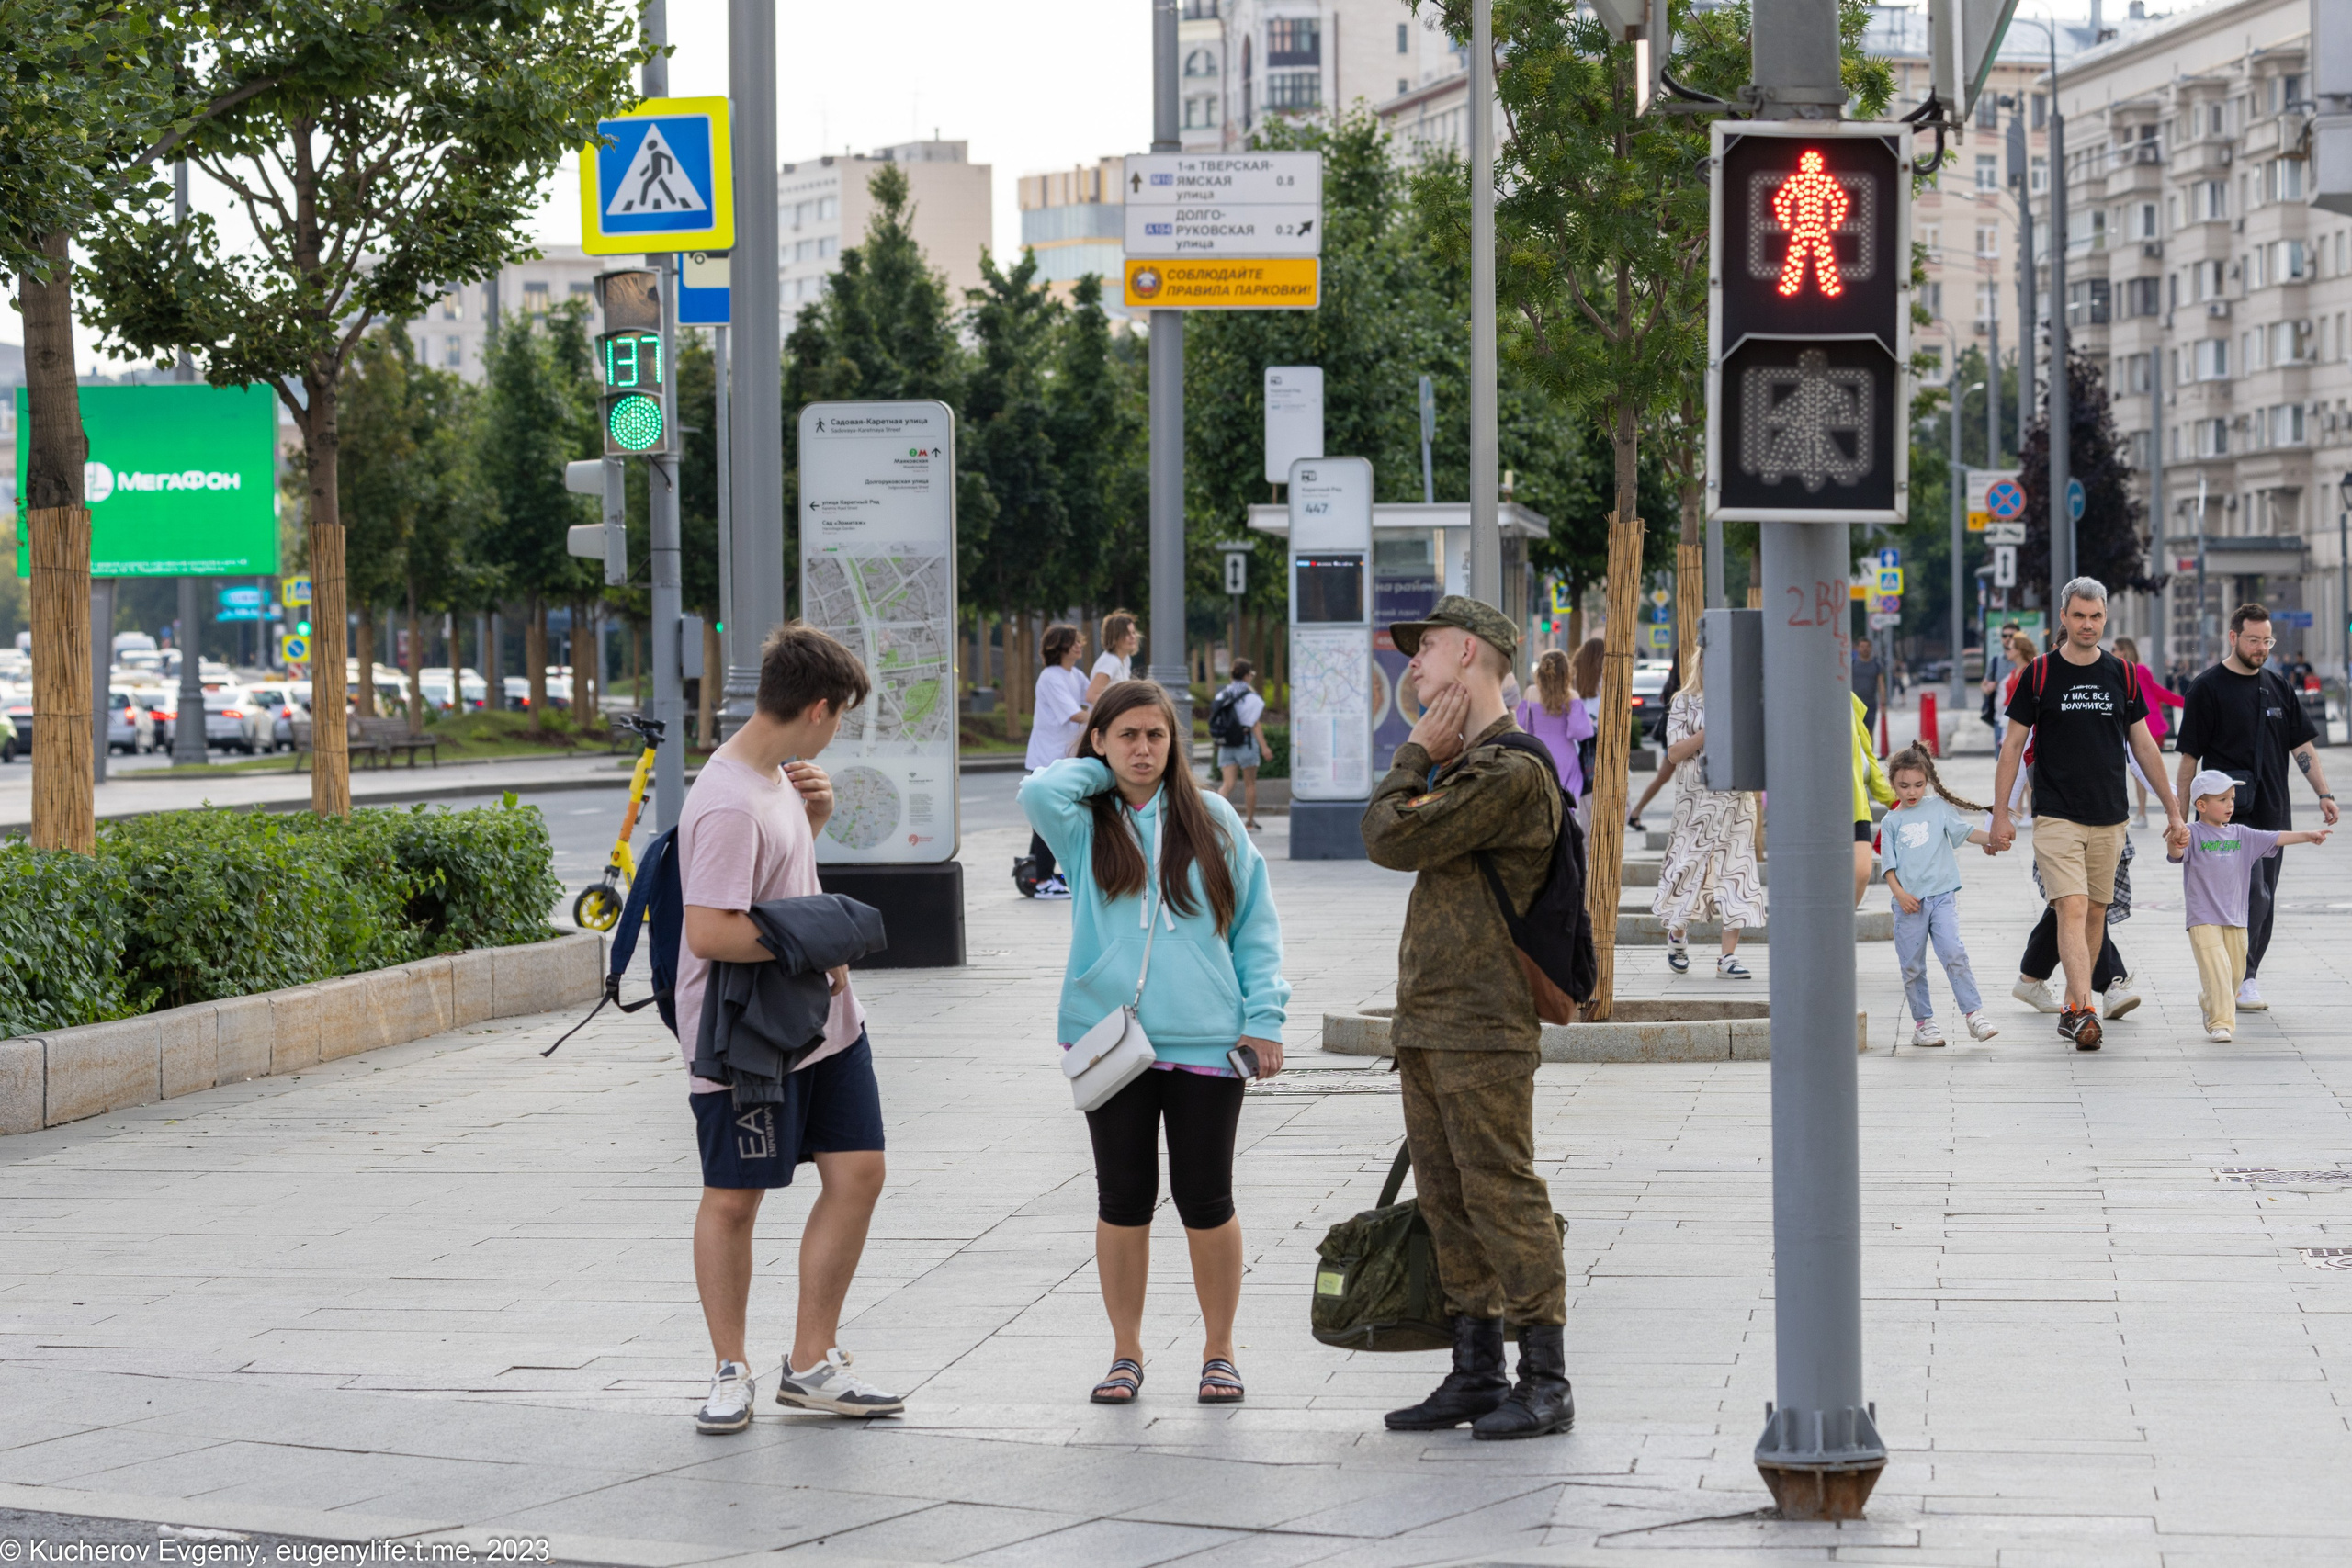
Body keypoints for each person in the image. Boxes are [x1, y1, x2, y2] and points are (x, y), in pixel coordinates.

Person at [1019, 681, 1290, 1407]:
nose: (1143, 749)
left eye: (1156, 737)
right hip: (1110, 1042)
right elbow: (1038, 791)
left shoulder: (1215, 820)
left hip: (1207, 1040)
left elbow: (1255, 930)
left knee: (1206, 1198)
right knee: (1123, 1198)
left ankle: (1219, 1350)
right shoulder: (1084, 826)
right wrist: (1101, 769)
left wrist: (1265, 1018)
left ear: (1177, 745)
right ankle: (1126, 1351)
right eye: (1127, 736)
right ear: (1101, 743)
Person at [681, 623, 905, 1435]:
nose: (837, 730)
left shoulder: (776, 780)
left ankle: (811, 1362)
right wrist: (819, 949)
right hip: (749, 1036)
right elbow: (711, 930)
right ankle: (729, 1369)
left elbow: (774, 892)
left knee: (859, 1172)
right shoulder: (729, 800)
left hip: (826, 1025)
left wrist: (813, 819)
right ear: (817, 707)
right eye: (840, 714)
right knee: (735, 1199)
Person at [1362, 596, 1573, 1441]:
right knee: (1447, 1200)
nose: (1413, 662)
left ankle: (1547, 1378)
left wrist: (1413, 753)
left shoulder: (1508, 773)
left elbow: (1385, 835)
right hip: (1431, 1020)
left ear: (1474, 655)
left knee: (1502, 1194)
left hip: (1483, 1023)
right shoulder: (1466, 765)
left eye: (1429, 648)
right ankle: (1477, 1367)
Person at [1991, 578, 2188, 1050]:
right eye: (2078, 615)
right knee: (2072, 907)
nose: (2087, 624)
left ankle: (2071, 1007)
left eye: (2095, 616)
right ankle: (2084, 1010)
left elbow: (2143, 745)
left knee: (2096, 910)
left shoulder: (2122, 674)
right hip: (2056, 814)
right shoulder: (2038, 674)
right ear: (2063, 616)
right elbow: (2013, 746)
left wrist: (2173, 810)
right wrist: (2001, 814)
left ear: (2104, 618)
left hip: (2110, 816)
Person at [2171, 604, 2339, 1013]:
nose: (2261, 647)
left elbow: (2301, 745)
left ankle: (2243, 977)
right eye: (2253, 640)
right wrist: (2178, 816)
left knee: (2266, 894)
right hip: (2221, 815)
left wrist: (2324, 792)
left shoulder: (2278, 686)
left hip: (2271, 810)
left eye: (2267, 641)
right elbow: (2189, 760)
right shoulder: (2206, 688)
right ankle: (2236, 977)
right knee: (2248, 893)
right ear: (2233, 638)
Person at [2169, 770, 2332, 1041]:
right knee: (2218, 971)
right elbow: (2176, 854)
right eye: (2222, 799)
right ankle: (2221, 1023)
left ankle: (2210, 999)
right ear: (2201, 805)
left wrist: (2308, 835)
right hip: (2203, 918)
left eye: (2232, 798)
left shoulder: (2242, 834)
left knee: (2234, 975)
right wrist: (2174, 842)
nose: (2231, 804)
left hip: (2236, 918)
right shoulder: (2192, 834)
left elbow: (2275, 837)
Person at [1878, 745, 2001, 1046]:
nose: (1912, 792)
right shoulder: (1890, 822)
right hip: (1908, 905)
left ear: (1928, 781)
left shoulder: (1938, 809)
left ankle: (1974, 1015)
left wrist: (1994, 839)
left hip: (1942, 896)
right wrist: (1901, 895)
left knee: (1954, 952)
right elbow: (1888, 868)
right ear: (1892, 783)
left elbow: (1965, 832)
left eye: (1918, 785)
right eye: (1904, 786)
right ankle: (1924, 1024)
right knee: (1912, 965)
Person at [1651, 650, 1763, 978]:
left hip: (1736, 801)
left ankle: (1727, 958)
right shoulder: (1684, 701)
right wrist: (1709, 732)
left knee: (1737, 871)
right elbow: (1673, 753)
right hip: (1696, 804)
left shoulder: (1742, 701)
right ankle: (1678, 934)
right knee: (1688, 868)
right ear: (1699, 664)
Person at [1021, 623, 1091, 900]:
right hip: (1046, 758)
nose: (1079, 646)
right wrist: (1104, 718)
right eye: (1073, 642)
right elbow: (1075, 714)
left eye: (1079, 641)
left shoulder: (1075, 674)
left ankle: (1036, 871)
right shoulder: (1051, 677)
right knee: (1048, 818)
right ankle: (1043, 883)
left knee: (1043, 819)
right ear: (1058, 647)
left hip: (1062, 757)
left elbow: (1093, 697)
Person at [2111, 637, 2186, 828]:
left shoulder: (2136, 670)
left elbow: (2156, 691)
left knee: (2142, 770)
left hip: (2146, 726)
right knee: (2139, 770)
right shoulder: (2122, 671)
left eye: (2115, 649)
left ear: (2124, 651)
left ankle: (2157, 808)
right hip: (2139, 726)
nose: (2112, 653)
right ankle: (2149, 811)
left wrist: (2186, 702)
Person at [1514, 648, 1596, 801]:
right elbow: (1579, 732)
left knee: (1541, 800)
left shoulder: (1530, 692)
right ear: (1566, 672)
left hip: (1538, 752)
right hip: (1565, 754)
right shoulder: (1571, 695)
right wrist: (1589, 722)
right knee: (1565, 801)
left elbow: (1523, 727)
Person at [1208, 660, 1271, 829]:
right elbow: (1254, 724)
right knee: (1250, 784)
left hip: (1226, 744)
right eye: (1251, 675)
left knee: (1227, 785)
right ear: (1246, 676)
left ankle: (1214, 819)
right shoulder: (1253, 698)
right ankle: (1250, 822)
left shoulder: (1222, 694)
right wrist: (1264, 747)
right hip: (1245, 742)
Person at [1626, 653, 1679, 830]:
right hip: (1677, 740)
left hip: (1670, 739)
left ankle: (1635, 812)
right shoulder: (1681, 686)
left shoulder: (1671, 684)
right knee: (1666, 777)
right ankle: (1635, 812)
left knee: (1663, 778)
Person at [1852, 690, 1894, 906]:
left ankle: (1842, 932)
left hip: (1855, 806)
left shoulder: (1850, 702)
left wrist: (1895, 799)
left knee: (1862, 872)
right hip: (1815, 811)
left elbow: (1867, 760)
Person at [1569, 637, 1607, 829]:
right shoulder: (1606, 684)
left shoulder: (1574, 683)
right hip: (1600, 752)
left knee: (1586, 812)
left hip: (1579, 755)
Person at [1086, 609, 1140, 706]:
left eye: (1133, 632)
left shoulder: (1125, 659)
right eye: (1127, 634)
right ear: (1114, 637)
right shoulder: (1110, 661)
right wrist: (1118, 707)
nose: (1133, 637)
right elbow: (1091, 696)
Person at [1851, 635, 1889, 749]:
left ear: (1871, 648)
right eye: (1862, 646)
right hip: (1855, 704)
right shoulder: (1852, 664)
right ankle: (1858, 757)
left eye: (1867, 646)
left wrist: (1883, 703)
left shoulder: (1876, 665)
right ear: (1857, 648)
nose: (1865, 649)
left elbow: (1881, 684)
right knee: (1856, 732)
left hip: (1870, 704)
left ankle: (1869, 756)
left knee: (1869, 732)